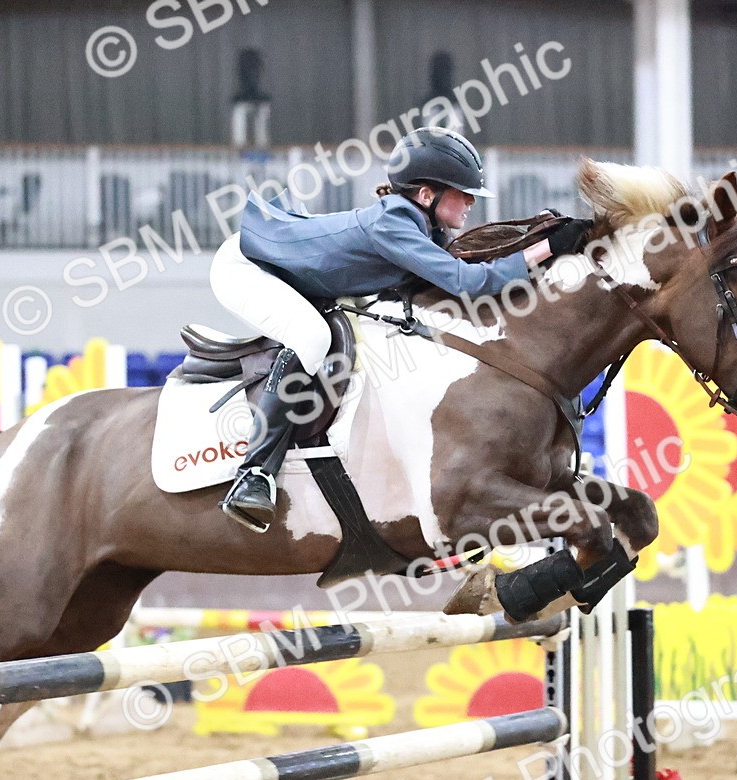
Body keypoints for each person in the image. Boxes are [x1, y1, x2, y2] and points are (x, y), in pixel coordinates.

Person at [208, 126, 591, 532]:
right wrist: (549, 247)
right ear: (426, 195)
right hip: (248, 266)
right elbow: (468, 282)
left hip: (291, 274)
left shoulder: (426, 227)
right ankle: (253, 475)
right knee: (313, 337)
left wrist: (542, 239)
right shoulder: (394, 223)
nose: (470, 204)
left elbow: (472, 269)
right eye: (463, 194)